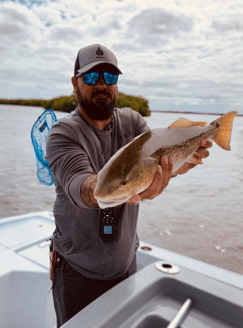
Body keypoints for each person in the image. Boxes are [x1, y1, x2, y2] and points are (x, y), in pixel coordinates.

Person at [45, 43, 212, 327]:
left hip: (125, 266)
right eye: (92, 77)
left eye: (110, 77)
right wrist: (107, 190)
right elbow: (79, 185)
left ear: (117, 84)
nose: (102, 84)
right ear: (75, 83)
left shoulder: (133, 122)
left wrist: (186, 158)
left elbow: (163, 162)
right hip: (76, 272)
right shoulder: (62, 134)